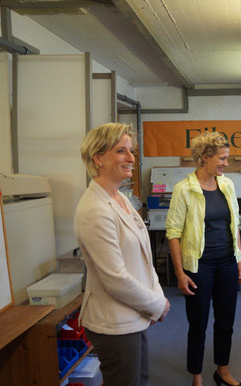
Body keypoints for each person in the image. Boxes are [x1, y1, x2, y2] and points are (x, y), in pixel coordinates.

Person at [74, 123, 170, 386]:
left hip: (134, 313)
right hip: (113, 321)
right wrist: (157, 305)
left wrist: (156, 298)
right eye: (121, 151)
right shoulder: (95, 209)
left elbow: (144, 257)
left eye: (131, 151)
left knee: (140, 379)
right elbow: (115, 278)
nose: (131, 159)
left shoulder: (120, 197)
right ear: (98, 158)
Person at [166, 132, 241, 386]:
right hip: (199, 267)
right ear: (204, 158)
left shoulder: (227, 185)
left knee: (226, 322)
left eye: (227, 158)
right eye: (222, 158)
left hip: (227, 263)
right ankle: (197, 375)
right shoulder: (184, 189)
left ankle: (222, 370)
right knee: (198, 324)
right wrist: (180, 273)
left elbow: (235, 224)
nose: (226, 163)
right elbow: (173, 234)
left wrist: (240, 258)